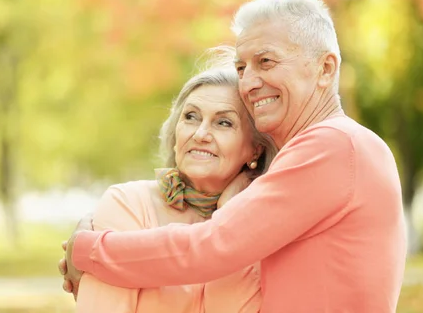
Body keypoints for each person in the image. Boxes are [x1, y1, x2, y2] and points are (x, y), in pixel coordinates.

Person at [59, 0, 407, 313]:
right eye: (242, 68)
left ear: (325, 69)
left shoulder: (333, 145)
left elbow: (212, 247)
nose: (249, 82)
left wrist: (89, 250)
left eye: (266, 62)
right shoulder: (333, 150)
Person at [73, 53, 276, 312]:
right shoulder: (128, 204)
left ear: (255, 150)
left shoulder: (264, 228)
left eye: (223, 123)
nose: (200, 133)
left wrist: (229, 214)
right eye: (191, 117)